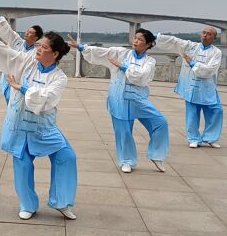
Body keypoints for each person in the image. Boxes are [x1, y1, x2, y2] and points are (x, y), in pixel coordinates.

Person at [0, 24, 77, 221]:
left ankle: (62, 202)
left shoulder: (59, 78)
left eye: (44, 47)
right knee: (22, 165)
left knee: (67, 157)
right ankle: (27, 204)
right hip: (19, 126)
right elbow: (5, 52)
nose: (38, 49)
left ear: (55, 54)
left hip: (44, 128)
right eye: (39, 45)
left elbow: (46, 99)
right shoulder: (26, 62)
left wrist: (22, 88)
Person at [68, 29, 169, 174]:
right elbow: (102, 52)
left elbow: (141, 78)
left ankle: (157, 155)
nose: (136, 41)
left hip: (138, 100)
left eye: (140, 39)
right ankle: (126, 160)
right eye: (135, 38)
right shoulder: (122, 53)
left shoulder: (150, 61)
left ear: (148, 44)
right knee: (124, 131)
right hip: (119, 98)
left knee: (160, 122)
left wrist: (122, 66)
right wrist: (82, 47)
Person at [155, 27, 223, 148]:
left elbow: (209, 70)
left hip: (207, 88)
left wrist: (192, 63)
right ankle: (193, 138)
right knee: (192, 113)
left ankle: (210, 138)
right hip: (191, 87)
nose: (205, 35)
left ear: (214, 37)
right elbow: (174, 41)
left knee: (216, 111)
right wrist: (157, 37)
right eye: (203, 33)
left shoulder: (216, 52)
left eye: (209, 34)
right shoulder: (191, 46)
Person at [0, 2, 42, 104]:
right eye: (27, 31)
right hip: (9, 80)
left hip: (23, 83)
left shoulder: (36, 53)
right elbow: (8, 31)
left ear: (36, 38)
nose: (27, 33)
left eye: (30, 33)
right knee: (10, 102)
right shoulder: (17, 42)